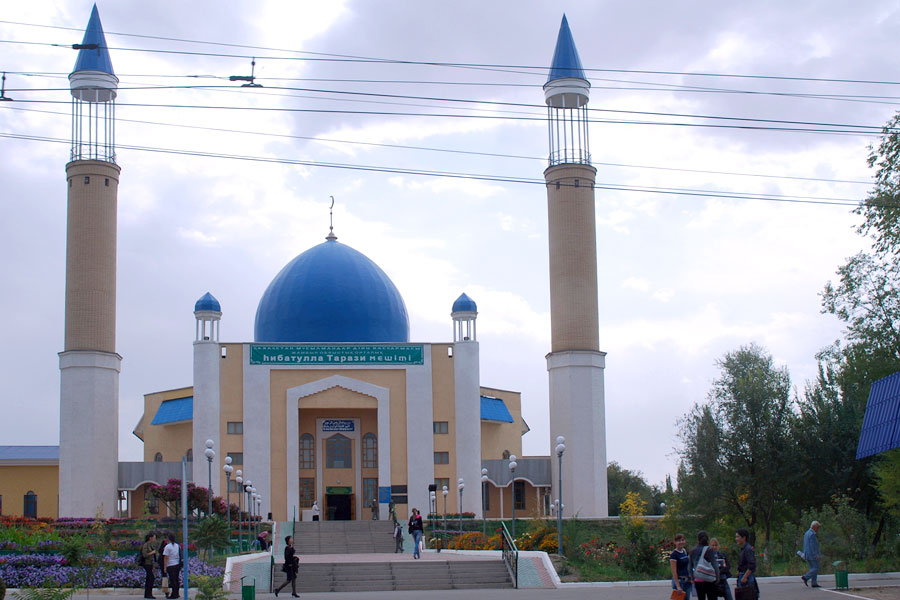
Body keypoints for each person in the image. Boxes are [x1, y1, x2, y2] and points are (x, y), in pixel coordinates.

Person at [689, 531, 719, 600]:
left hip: (698, 579)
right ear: (707, 539)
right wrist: (717, 577)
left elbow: (690, 566)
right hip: (709, 579)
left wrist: (692, 578)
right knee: (712, 597)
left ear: (698, 539)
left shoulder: (693, 550)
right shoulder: (709, 550)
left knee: (701, 598)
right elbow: (715, 564)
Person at [735, 528, 759, 600]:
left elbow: (752, 565)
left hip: (746, 579)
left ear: (744, 538)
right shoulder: (744, 549)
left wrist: (745, 577)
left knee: (747, 596)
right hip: (742, 576)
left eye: (738, 537)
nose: (736, 539)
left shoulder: (748, 549)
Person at [669, 532, 692, 599]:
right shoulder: (674, 554)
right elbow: (674, 571)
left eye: (682, 540)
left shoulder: (684, 551)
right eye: (679, 541)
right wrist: (678, 586)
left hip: (687, 581)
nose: (681, 542)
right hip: (679, 581)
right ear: (675, 542)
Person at [801, 520, 822, 588]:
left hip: (807, 554)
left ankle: (814, 583)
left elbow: (805, 544)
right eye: (817, 527)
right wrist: (816, 555)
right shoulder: (812, 534)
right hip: (812, 555)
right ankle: (806, 577)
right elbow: (812, 546)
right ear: (813, 526)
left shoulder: (806, 533)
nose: (818, 529)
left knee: (813, 568)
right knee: (816, 568)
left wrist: (804, 554)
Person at [162, 533, 182, 599]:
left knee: (172, 580)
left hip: (170, 564)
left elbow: (166, 557)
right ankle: (177, 593)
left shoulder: (168, 547)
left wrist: (165, 567)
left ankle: (174, 594)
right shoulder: (177, 545)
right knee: (176, 579)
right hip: (177, 564)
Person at [140, 532, 158, 599]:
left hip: (150, 564)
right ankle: (148, 594)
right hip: (146, 563)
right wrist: (152, 552)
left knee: (149, 578)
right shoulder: (146, 545)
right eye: (154, 538)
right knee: (151, 578)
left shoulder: (150, 545)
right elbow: (144, 554)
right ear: (150, 538)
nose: (154, 539)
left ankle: (148, 594)